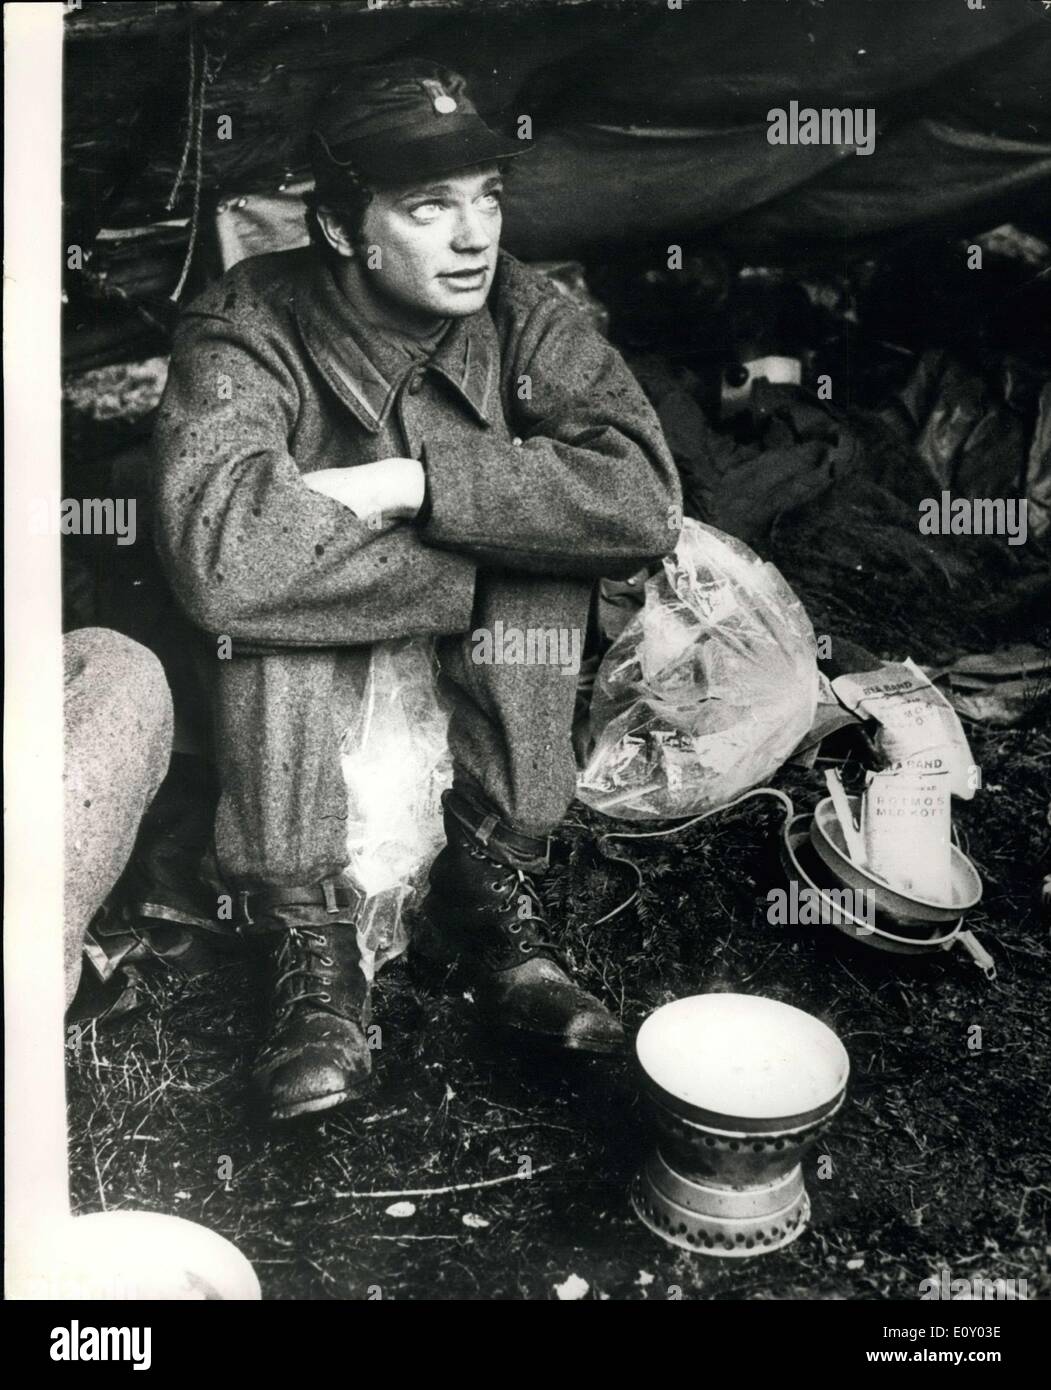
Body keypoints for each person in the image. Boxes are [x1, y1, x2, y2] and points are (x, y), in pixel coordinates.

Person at [152, 59, 682, 1122]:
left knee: (538, 542)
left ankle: (496, 899)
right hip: (303, 723)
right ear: (344, 229)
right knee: (277, 605)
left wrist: (415, 485)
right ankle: (312, 950)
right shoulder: (245, 324)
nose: (475, 235)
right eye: (429, 207)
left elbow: (642, 499)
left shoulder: (528, 311)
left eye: (486, 197)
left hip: (476, 700)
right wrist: (479, 549)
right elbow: (223, 562)